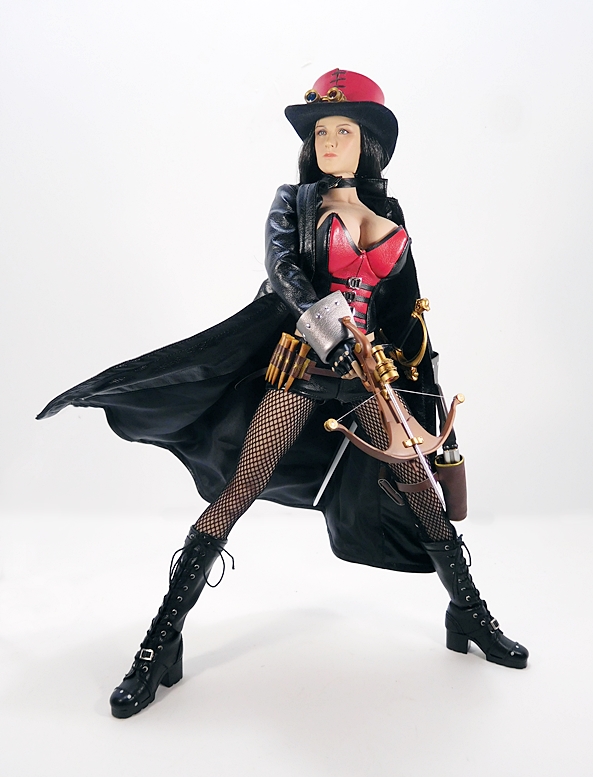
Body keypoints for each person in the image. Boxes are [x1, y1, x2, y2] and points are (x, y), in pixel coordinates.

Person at [37, 68, 528, 719]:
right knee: (238, 489)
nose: (328, 142)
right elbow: (284, 272)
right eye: (320, 131)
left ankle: (467, 612)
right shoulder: (293, 203)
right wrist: (331, 334)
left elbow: (407, 312)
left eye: (342, 130)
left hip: (372, 379)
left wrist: (429, 405)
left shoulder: (391, 214)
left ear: (368, 142)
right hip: (305, 367)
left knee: (417, 487)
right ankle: (162, 641)